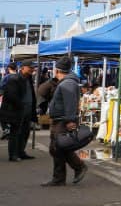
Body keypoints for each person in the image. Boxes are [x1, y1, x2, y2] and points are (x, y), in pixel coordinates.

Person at [43, 56, 86, 186]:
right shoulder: (66, 82)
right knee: (57, 148)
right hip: (60, 119)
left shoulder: (68, 83)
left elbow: (70, 104)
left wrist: (70, 120)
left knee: (58, 147)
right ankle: (61, 177)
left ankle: (77, 167)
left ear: (57, 70)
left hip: (62, 120)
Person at [3, 61, 37, 160]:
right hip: (17, 110)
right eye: (30, 67)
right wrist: (20, 105)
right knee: (15, 132)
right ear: (22, 68)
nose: (32, 69)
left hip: (27, 110)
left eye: (33, 67)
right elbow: (10, 95)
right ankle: (13, 155)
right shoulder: (15, 78)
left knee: (25, 132)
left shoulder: (28, 79)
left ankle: (21, 152)